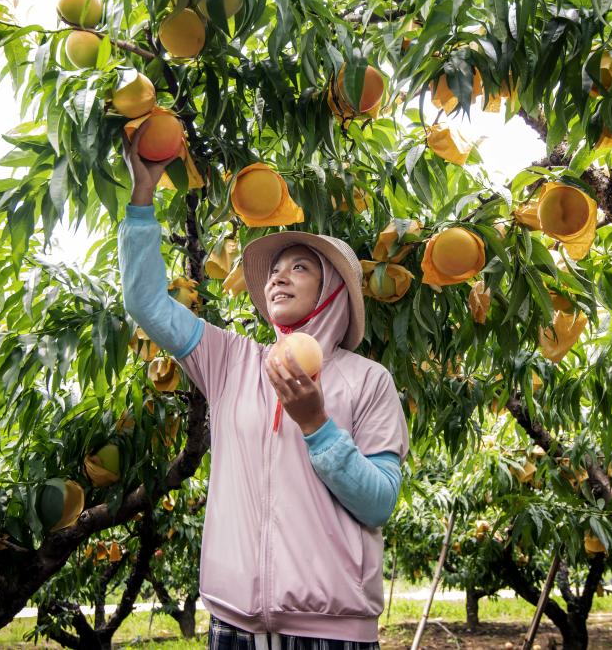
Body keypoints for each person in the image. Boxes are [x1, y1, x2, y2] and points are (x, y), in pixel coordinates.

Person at [117, 121, 409, 650]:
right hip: (232, 627)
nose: (278, 276)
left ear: (333, 290)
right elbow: (147, 303)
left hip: (331, 632)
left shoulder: (368, 380)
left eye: (300, 267)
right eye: (275, 269)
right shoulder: (231, 361)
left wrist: (317, 426)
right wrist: (142, 197)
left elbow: (379, 502)